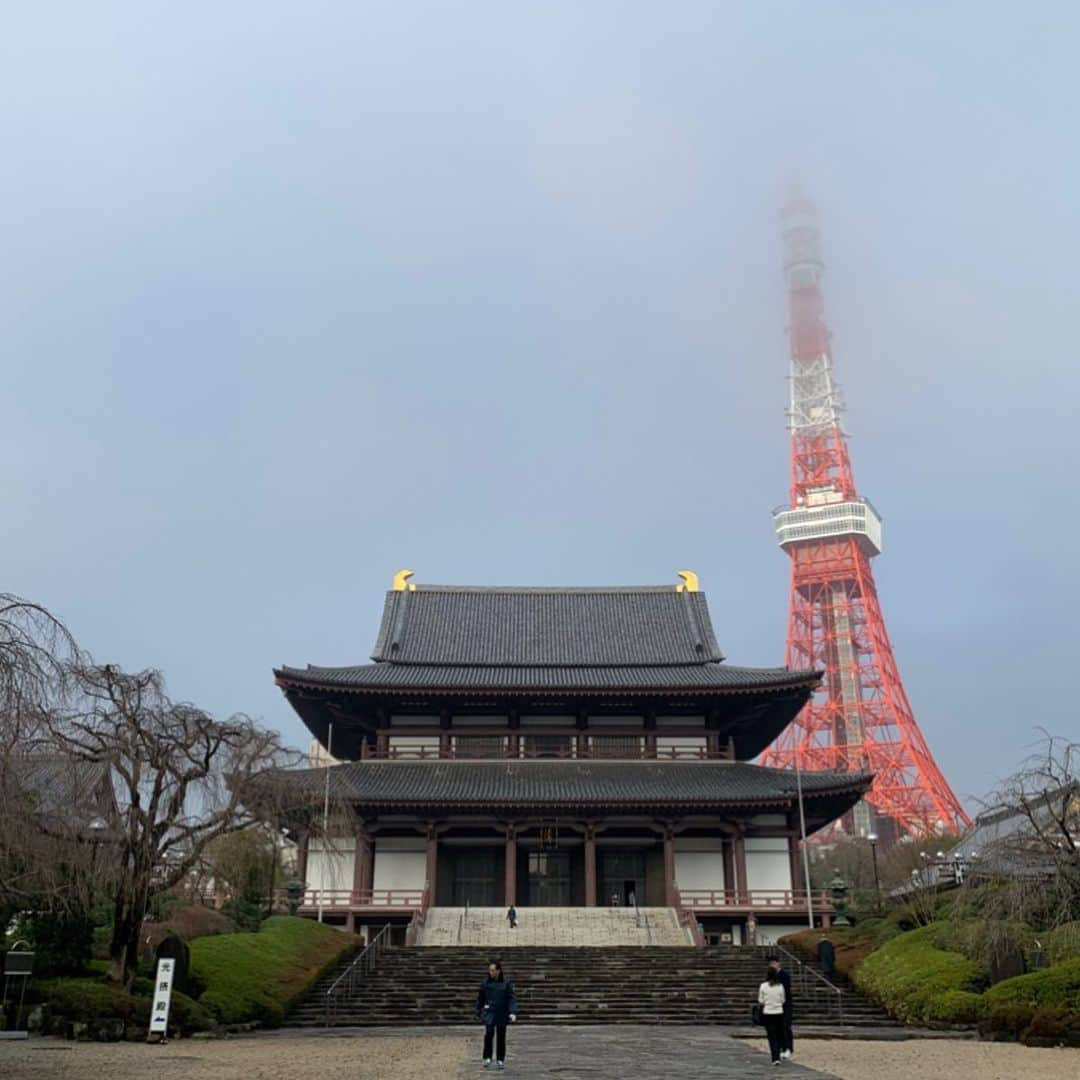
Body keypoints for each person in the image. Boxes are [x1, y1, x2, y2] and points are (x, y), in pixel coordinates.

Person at [476, 959, 517, 1070]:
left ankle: (500, 1059)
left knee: (501, 1036)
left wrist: (512, 1011)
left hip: (502, 1012)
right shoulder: (485, 983)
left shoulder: (506, 983)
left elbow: (511, 998)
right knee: (489, 1034)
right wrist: (480, 1011)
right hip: (490, 1012)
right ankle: (487, 1056)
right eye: (490, 970)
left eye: (493, 970)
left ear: (499, 971)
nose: (491, 972)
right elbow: (480, 999)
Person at [757, 967, 787, 1066]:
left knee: (771, 1036)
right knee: (779, 1034)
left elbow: (761, 1001)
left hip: (768, 1012)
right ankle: (779, 1052)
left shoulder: (763, 986)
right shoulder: (780, 986)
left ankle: (775, 1057)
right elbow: (783, 1000)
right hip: (778, 1012)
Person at [767, 954, 794, 1060]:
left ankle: (788, 1048)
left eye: (774, 963)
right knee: (777, 1027)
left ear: (778, 963)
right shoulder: (769, 975)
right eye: (770, 963)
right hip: (774, 1004)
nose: (772, 965)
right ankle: (781, 1047)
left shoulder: (784, 975)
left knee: (786, 1026)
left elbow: (786, 989)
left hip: (785, 1003)